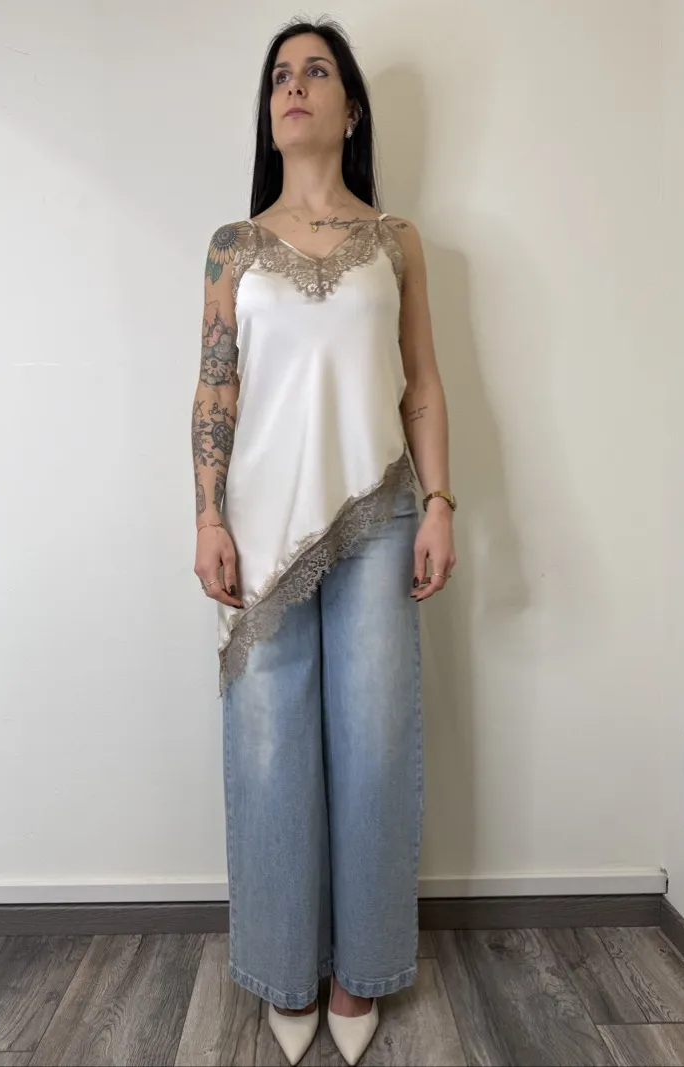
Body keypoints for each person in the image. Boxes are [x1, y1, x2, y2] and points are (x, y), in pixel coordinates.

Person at [191, 18, 456, 1066]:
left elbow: (422, 383)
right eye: (279, 77)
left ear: (350, 109)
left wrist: (441, 502)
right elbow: (216, 388)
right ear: (270, 114)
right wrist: (207, 515)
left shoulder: (397, 241)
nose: (293, 87)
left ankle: (362, 970)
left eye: (315, 72)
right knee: (269, 754)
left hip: (381, 516)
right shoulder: (231, 246)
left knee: (375, 745)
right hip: (261, 532)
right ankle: (282, 968)